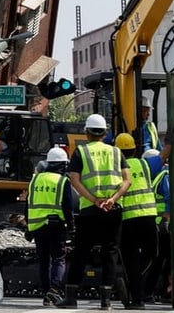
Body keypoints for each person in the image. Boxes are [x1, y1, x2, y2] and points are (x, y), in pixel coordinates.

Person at [57, 113, 131, 310]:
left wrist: (94, 200)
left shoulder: (81, 152)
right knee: (110, 253)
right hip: (113, 209)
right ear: (105, 133)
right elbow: (127, 180)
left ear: (86, 132)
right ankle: (106, 301)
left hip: (90, 210)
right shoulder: (116, 152)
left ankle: (71, 298)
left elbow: (74, 179)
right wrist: (112, 199)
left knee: (81, 251)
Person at [25, 147, 76, 306]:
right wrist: (72, 228)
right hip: (56, 226)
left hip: (37, 226)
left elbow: (28, 204)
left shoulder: (35, 180)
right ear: (62, 165)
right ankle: (54, 290)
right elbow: (68, 207)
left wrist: (28, 226)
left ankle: (46, 294)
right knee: (58, 259)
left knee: (43, 260)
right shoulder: (62, 181)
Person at [114, 133, 158, 310]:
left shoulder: (115, 168)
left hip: (126, 221)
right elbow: (161, 158)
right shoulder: (144, 164)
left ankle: (137, 299)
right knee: (152, 254)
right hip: (148, 216)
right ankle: (134, 285)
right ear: (134, 149)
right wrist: (169, 144)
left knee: (130, 260)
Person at [140, 149, 171, 304]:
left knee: (160, 260)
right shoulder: (159, 177)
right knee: (162, 260)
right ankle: (158, 292)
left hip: (162, 225)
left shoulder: (160, 177)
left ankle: (152, 292)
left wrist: (166, 218)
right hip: (162, 226)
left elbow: (169, 197)